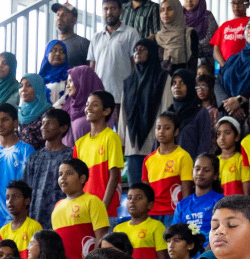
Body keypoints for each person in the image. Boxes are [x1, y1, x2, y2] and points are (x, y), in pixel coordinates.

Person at [52, 157, 113, 259]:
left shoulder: (93, 201)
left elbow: (101, 238)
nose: (63, 178)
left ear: (82, 178)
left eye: (69, 173)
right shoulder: (57, 206)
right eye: (60, 174)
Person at [122, 39, 170, 181]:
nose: (138, 52)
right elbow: (123, 113)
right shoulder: (129, 81)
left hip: (154, 142)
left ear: (152, 53)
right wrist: (122, 139)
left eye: (142, 49)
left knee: (154, 190)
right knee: (135, 189)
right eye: (136, 50)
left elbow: (166, 108)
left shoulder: (162, 78)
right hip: (133, 144)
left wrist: (163, 136)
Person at [0, 106, 33, 239]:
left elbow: (30, 188)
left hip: (18, 220)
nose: (0, 124)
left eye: (5, 120)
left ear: (15, 122)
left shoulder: (27, 151)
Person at [75, 90, 125, 215]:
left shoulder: (111, 137)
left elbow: (114, 176)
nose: (88, 108)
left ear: (106, 111)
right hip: (85, 208)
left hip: (105, 208)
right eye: (87, 104)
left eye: (95, 104)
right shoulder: (79, 143)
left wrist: (103, 207)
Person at [115, 183, 168, 259]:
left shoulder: (156, 226)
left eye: (138, 198)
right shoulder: (118, 229)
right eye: (129, 198)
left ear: (150, 204)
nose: (132, 201)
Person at [25, 108, 73, 227]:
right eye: (43, 123)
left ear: (63, 128)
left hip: (61, 218)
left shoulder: (70, 156)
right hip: (35, 218)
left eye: (50, 123)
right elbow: (26, 189)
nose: (44, 127)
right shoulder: (34, 157)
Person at [91, 0, 142, 110]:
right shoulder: (96, 37)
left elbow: (135, 64)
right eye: (106, 9)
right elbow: (92, 66)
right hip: (100, 96)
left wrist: (133, 89)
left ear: (121, 11)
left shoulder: (131, 33)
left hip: (122, 95)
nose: (109, 12)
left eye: (113, 8)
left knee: (121, 127)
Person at [166, 69, 215, 159]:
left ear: (190, 85)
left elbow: (204, 146)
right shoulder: (168, 113)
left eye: (182, 83)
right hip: (168, 169)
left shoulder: (200, 113)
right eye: (174, 83)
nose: (177, 86)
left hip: (190, 169)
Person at [177, 152, 225, 237]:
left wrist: (207, 250)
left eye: (206, 170)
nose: (200, 173)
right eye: (197, 169)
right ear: (192, 172)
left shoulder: (221, 201)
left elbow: (222, 230)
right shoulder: (182, 204)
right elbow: (176, 232)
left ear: (215, 176)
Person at [0, 181, 42, 257]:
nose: (10, 201)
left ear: (27, 201)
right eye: (7, 197)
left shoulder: (35, 227)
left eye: (16, 197)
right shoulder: (3, 231)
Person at [52, 2, 91, 67]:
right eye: (58, 14)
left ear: (74, 20)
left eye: (64, 15)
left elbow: (92, 72)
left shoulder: (84, 44)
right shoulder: (51, 45)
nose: (59, 17)